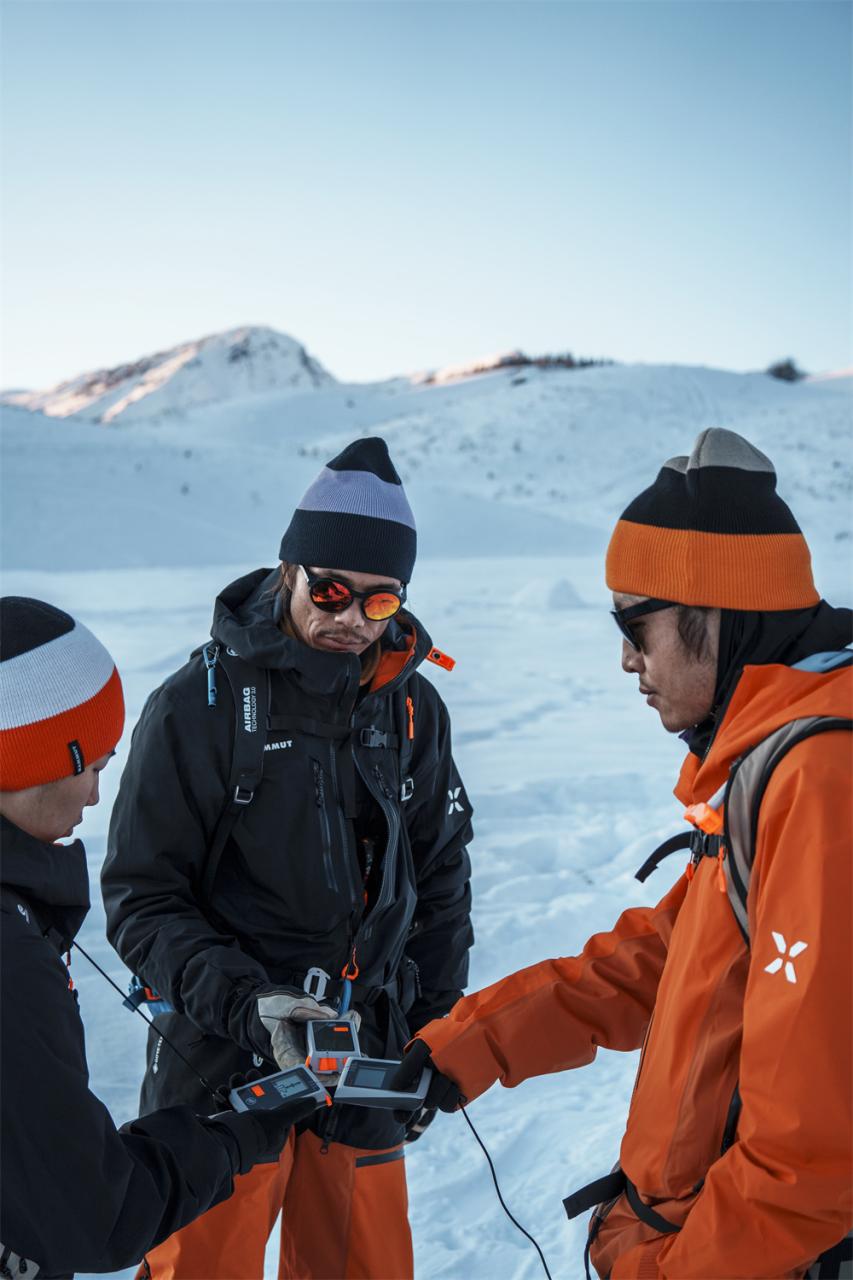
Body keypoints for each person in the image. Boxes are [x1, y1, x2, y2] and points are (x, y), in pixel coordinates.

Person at [392, 428, 853, 1279]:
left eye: (637, 626)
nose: (625, 659)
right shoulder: (771, 762)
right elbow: (666, 960)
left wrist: (661, 1269)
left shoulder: (820, 777)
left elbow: (809, 1157)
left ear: (718, 612)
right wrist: (465, 1046)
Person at [102, 436, 474, 1279]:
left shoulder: (413, 710)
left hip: (369, 1059)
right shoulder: (194, 709)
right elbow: (141, 900)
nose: (349, 619)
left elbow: (441, 876)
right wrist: (248, 1005)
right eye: (332, 590)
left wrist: (430, 1034)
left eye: (378, 604)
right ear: (289, 570)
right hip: (223, 1068)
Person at [0, 598, 310, 1280]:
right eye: (95, 765)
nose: (93, 795)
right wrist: (231, 1138)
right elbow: (94, 1216)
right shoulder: (9, 958)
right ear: (40, 758)